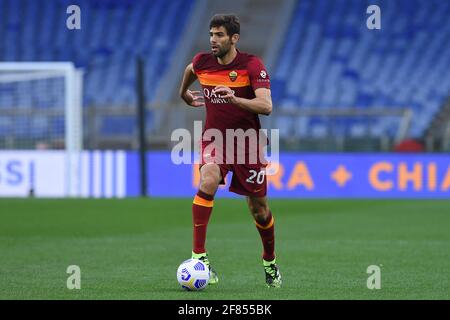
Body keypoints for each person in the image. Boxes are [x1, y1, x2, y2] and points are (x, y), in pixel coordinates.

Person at [179, 14, 281, 288]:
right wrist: (184, 93)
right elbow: (190, 69)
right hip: (215, 140)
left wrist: (235, 98)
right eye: (212, 34)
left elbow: (266, 106)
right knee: (208, 179)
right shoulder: (203, 61)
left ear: (234, 38)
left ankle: (269, 261)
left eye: (220, 35)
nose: (213, 39)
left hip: (249, 144)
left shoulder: (251, 65)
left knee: (259, 210)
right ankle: (199, 257)